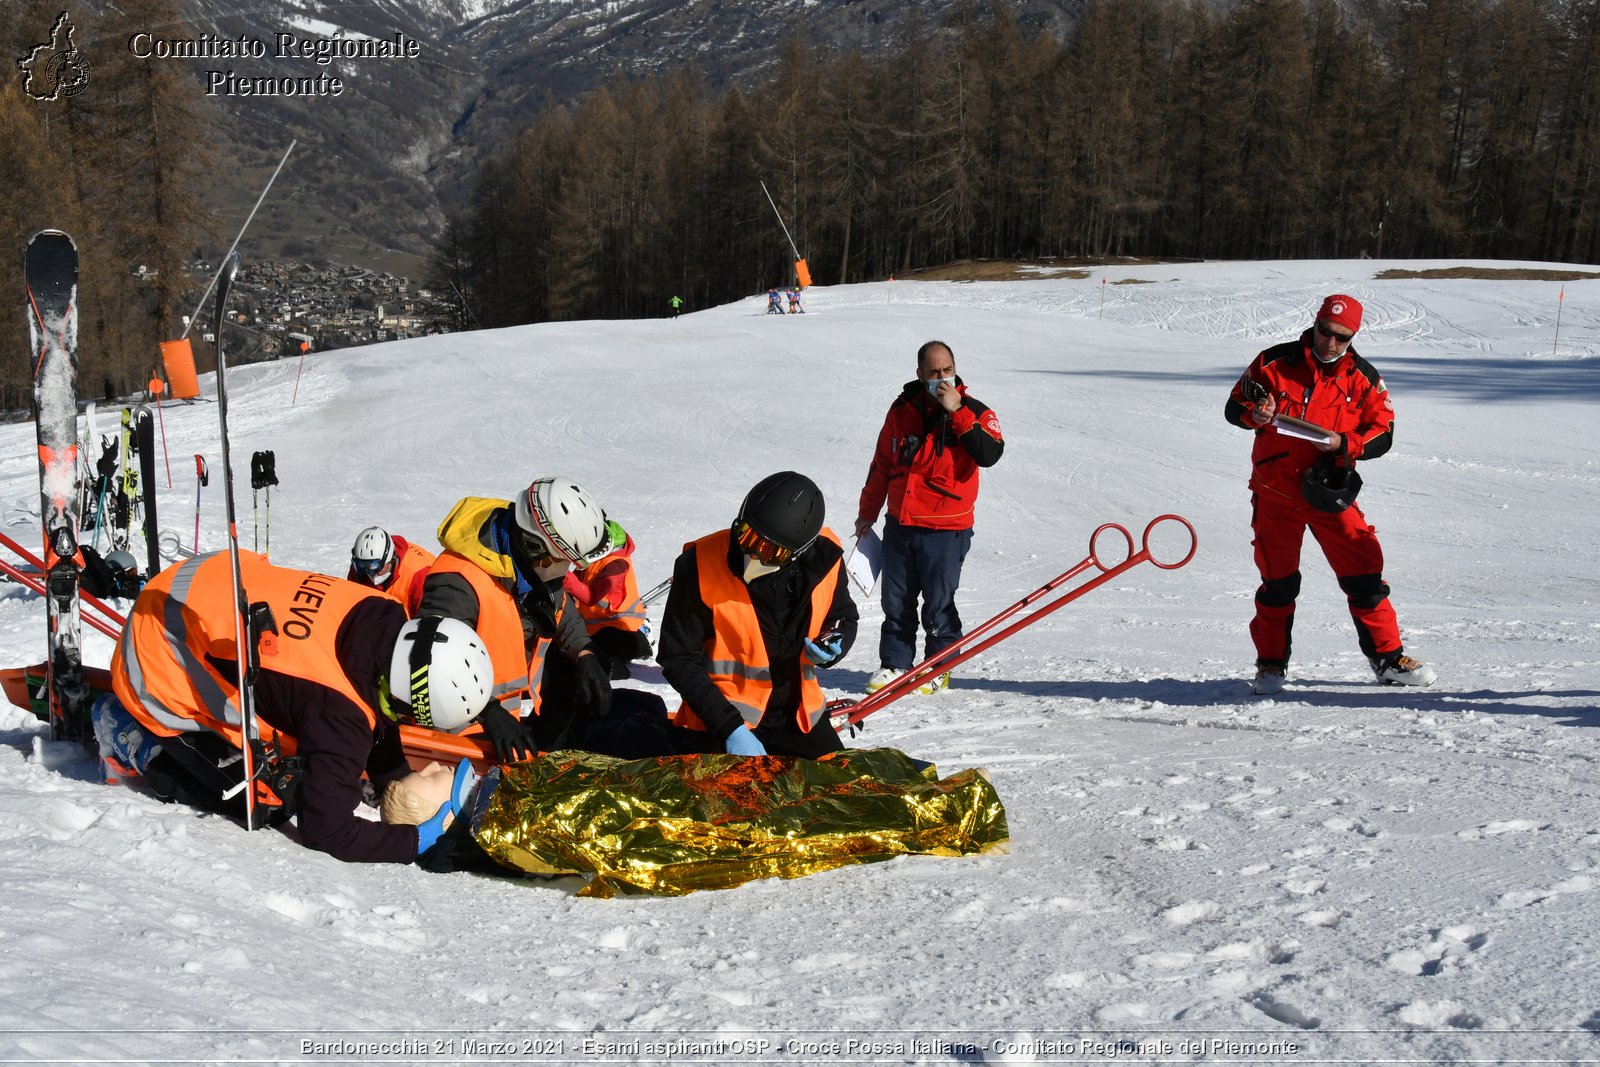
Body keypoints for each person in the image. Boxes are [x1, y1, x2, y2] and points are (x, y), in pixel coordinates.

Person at [98, 550, 494, 864]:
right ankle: (132, 740)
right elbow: (326, 831)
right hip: (154, 657)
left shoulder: (382, 611)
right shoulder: (342, 718)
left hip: (200, 581)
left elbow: (376, 711)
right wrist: (412, 841)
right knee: (264, 801)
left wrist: (393, 777)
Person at [1225, 294, 1437, 694]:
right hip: (1274, 493)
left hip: (1328, 492)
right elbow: (1234, 406)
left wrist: (1346, 443)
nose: (1331, 343)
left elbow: (1383, 432)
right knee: (1278, 583)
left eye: (1342, 337)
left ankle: (1388, 659)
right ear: (1316, 323)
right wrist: (1255, 414)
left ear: (1353, 336)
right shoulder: (1273, 362)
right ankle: (1270, 666)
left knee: (1365, 575)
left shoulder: (1364, 378)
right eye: (1326, 332)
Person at [658, 471, 859, 759]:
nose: (754, 554)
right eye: (747, 535)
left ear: (798, 552)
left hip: (798, 718)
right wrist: (731, 728)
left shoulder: (825, 559)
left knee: (837, 792)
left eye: (771, 551)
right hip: (722, 720)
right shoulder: (699, 565)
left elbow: (843, 615)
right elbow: (677, 658)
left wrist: (835, 639)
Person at [419, 477, 616, 759]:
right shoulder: (458, 581)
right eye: (562, 560)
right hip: (463, 725)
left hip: (511, 715)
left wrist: (584, 652)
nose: (566, 571)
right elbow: (434, 661)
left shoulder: (534, 565)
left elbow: (562, 609)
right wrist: (488, 713)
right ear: (532, 544)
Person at [854, 340, 1004, 695]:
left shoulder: (975, 411)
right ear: (920, 374)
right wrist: (867, 514)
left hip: (946, 529)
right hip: (901, 525)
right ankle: (895, 665)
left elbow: (989, 454)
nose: (941, 378)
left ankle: (939, 666)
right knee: (896, 603)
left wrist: (957, 412)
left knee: (938, 604)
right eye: (934, 372)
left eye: (947, 370)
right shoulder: (901, 409)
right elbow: (882, 465)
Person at [565, 518, 653, 679]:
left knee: (590, 654)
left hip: (621, 629)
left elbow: (591, 596)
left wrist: (563, 575)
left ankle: (636, 647)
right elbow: (577, 583)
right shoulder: (596, 560)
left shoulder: (616, 565)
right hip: (599, 626)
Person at [347, 525, 435, 616]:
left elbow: (427, 620)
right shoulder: (360, 566)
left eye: (374, 567)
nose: (370, 574)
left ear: (390, 559)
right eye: (362, 566)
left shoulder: (419, 577)